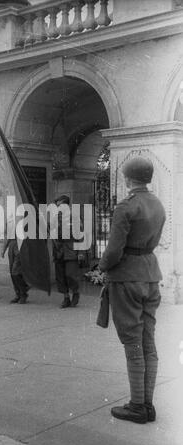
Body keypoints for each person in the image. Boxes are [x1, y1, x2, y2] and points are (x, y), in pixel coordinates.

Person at [98, 156, 166, 424]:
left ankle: (137, 405)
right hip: (150, 274)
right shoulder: (158, 204)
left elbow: (114, 250)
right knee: (148, 340)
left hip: (127, 277)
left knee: (133, 342)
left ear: (127, 178)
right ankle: (147, 404)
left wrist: (102, 267)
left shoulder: (126, 207)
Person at [52, 195, 85, 308]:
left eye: (60, 206)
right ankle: (66, 297)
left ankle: (75, 292)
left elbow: (80, 235)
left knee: (70, 274)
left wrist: (80, 252)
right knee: (60, 276)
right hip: (59, 251)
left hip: (71, 251)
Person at [2, 238, 29, 304]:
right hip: (12, 246)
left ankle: (23, 292)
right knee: (12, 272)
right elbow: (7, 237)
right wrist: (4, 249)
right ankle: (18, 294)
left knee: (15, 272)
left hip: (21, 245)